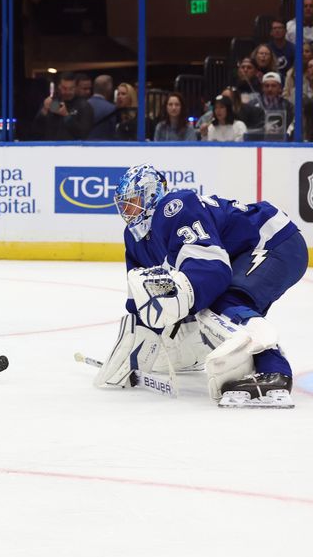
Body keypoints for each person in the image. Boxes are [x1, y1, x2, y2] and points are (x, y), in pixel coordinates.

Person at [95, 164, 308, 408]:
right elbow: (144, 297)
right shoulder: (134, 238)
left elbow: (210, 270)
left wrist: (180, 301)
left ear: (151, 195)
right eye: (124, 204)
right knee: (208, 300)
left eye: (133, 202)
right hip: (244, 252)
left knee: (226, 302)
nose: (127, 210)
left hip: (274, 241)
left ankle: (275, 372)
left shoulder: (173, 208)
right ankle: (203, 354)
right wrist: (133, 353)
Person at [32, 71, 93, 141]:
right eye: (64, 88)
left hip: (73, 148)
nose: (68, 92)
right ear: (59, 87)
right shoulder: (54, 102)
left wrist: (66, 116)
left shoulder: (83, 106)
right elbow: (37, 129)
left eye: (71, 88)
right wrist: (44, 110)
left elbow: (83, 134)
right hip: (51, 146)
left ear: (75, 88)